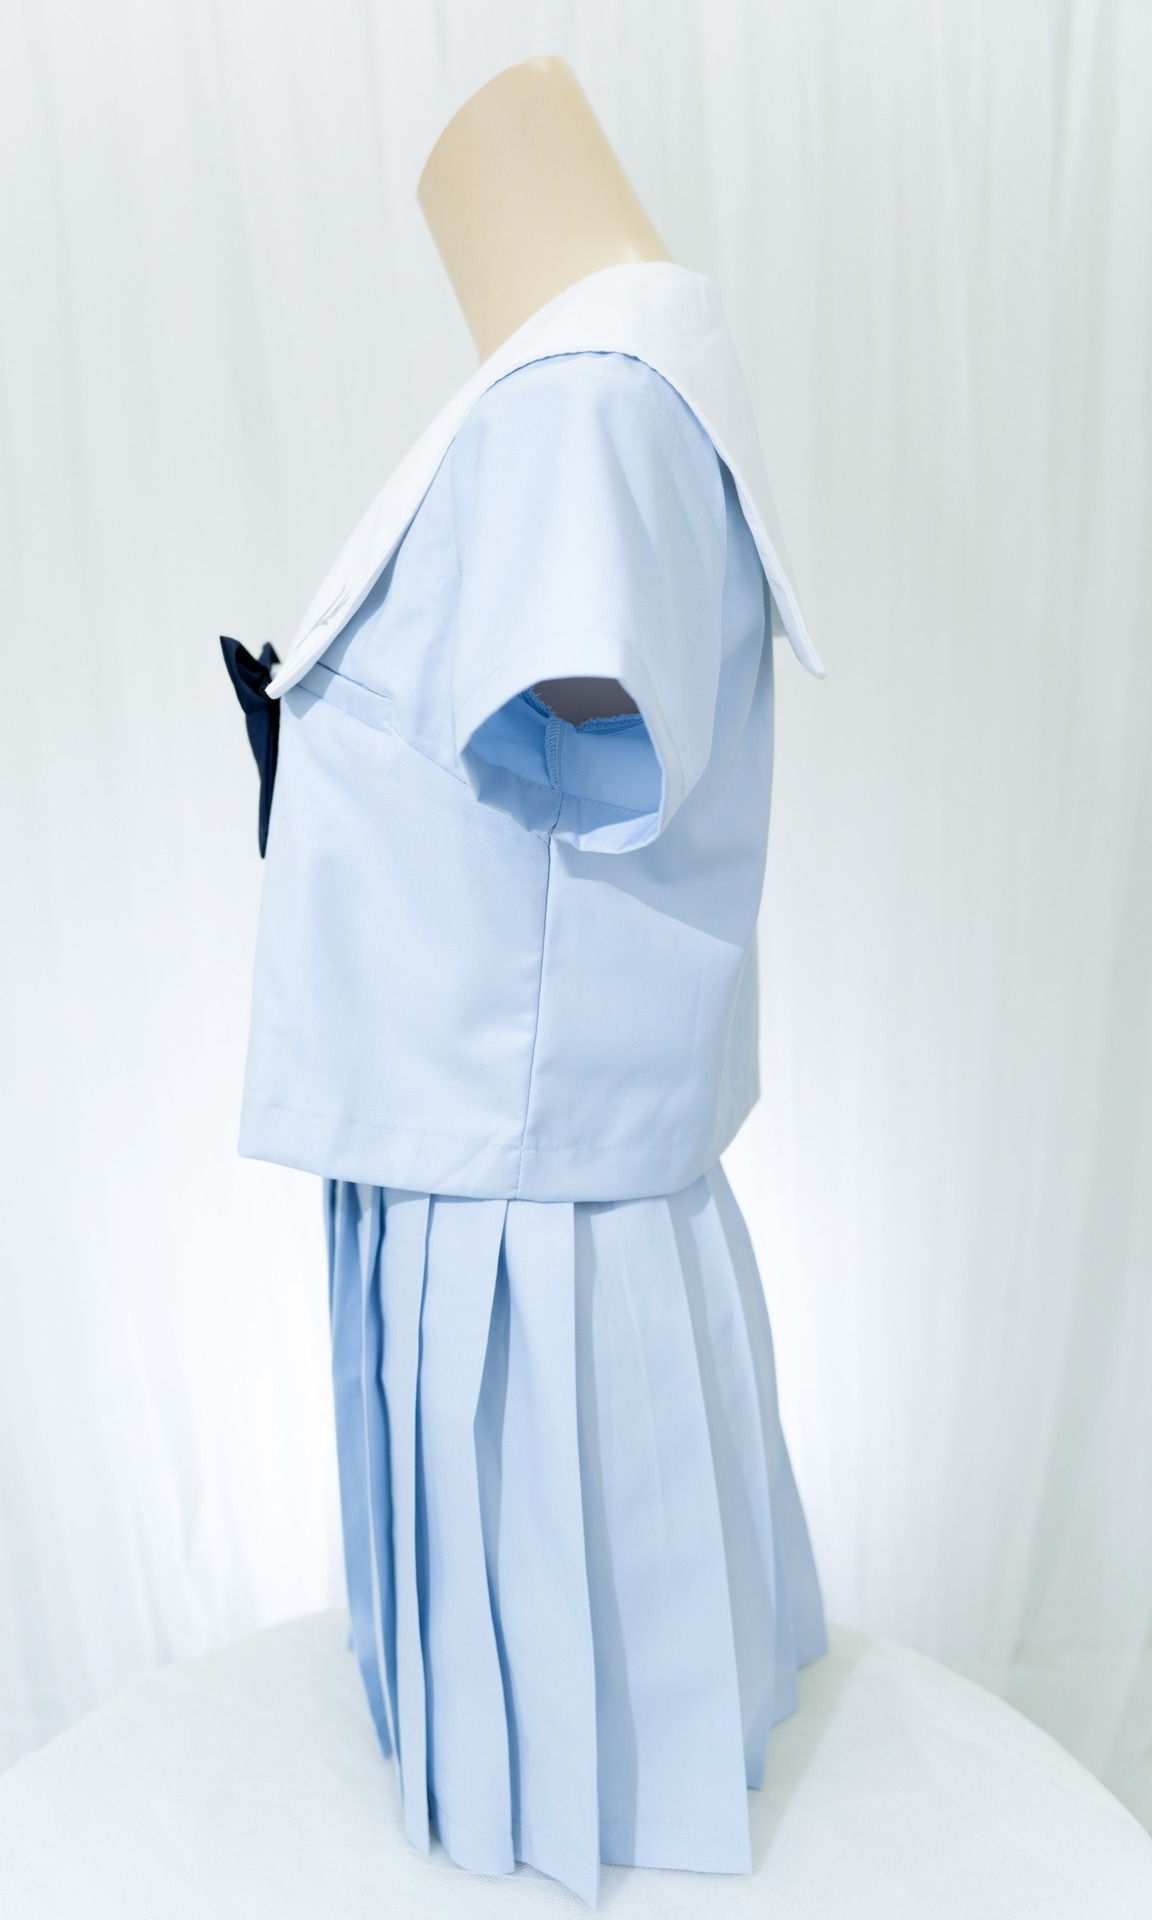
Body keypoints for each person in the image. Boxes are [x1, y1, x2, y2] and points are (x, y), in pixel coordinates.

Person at [222, 55, 829, 1909]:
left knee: (563, 1553)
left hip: (506, 1123)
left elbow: (584, 744)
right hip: (505, 1098)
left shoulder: (579, 405)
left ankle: (558, 1802)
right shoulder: (604, 382)